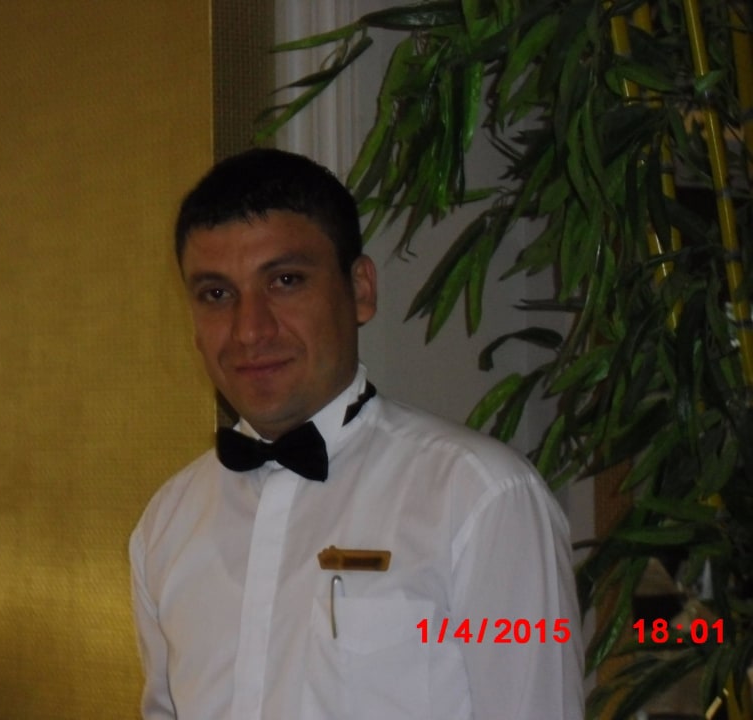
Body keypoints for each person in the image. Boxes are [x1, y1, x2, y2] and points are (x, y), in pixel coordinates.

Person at [130, 148, 584, 720]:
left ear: (361, 289)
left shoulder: (481, 499)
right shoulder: (166, 524)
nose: (249, 330)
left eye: (286, 281)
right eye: (217, 295)